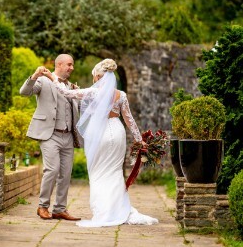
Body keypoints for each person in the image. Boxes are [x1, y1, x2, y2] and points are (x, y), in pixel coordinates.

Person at [43, 58, 158, 227]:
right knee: (115, 172)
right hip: (117, 133)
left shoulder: (93, 92)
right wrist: (140, 141)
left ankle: (104, 212)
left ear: (98, 77)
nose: (94, 81)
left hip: (101, 134)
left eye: (95, 77)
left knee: (98, 172)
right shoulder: (121, 95)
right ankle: (119, 209)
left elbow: (66, 93)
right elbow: (130, 121)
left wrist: (53, 79)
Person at [20, 54, 82, 221]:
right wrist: (34, 76)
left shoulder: (71, 86)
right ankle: (43, 206)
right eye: (69, 64)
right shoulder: (44, 81)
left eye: (72, 65)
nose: (72, 68)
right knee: (52, 169)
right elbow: (24, 92)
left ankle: (60, 209)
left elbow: (77, 110)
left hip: (68, 135)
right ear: (59, 64)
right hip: (50, 134)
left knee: (66, 173)